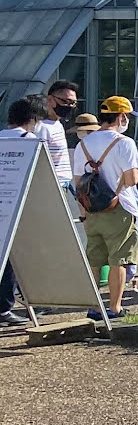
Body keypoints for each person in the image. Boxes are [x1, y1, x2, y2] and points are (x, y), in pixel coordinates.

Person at [74, 96, 138, 321]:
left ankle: (94, 306)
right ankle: (114, 307)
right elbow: (131, 178)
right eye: (127, 117)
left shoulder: (83, 144)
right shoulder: (124, 142)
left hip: (92, 209)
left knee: (95, 259)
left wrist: (83, 215)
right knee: (119, 259)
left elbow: (78, 183)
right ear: (121, 116)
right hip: (119, 206)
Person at [0, 96, 53, 326]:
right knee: (13, 259)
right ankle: (5, 308)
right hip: (18, 206)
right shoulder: (31, 141)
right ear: (33, 120)